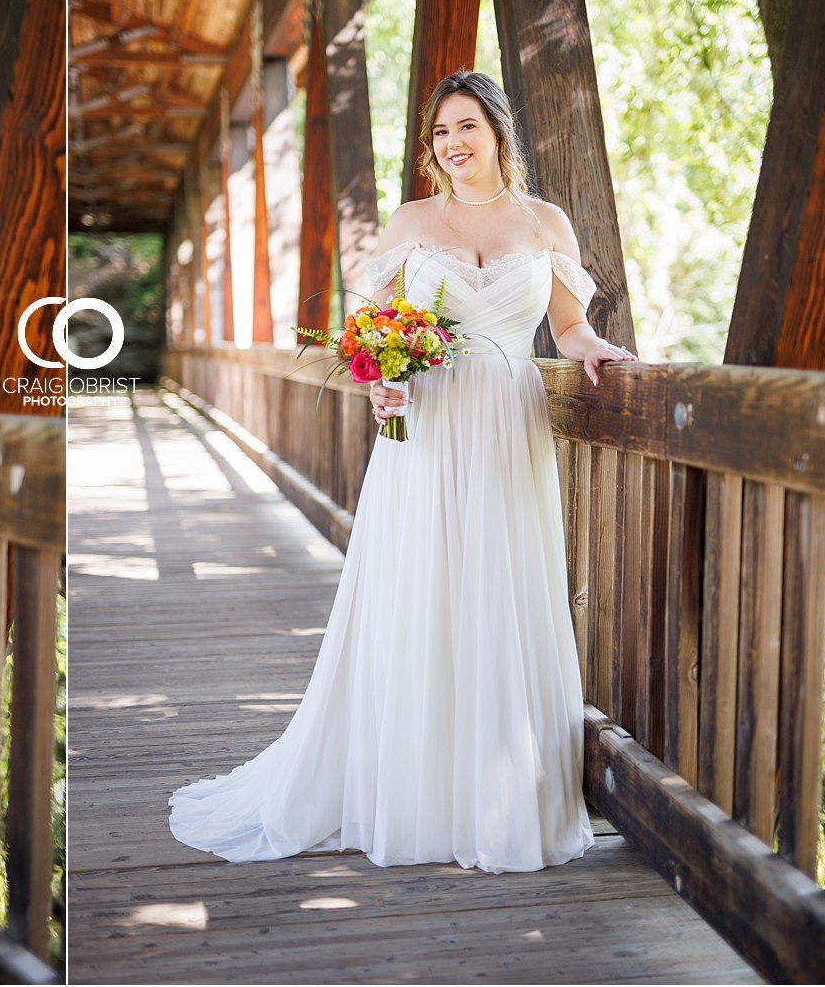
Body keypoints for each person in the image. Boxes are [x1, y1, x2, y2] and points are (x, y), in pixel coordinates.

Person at [168, 70, 636, 873]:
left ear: (497, 132)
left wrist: (599, 349)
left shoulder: (546, 220)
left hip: (507, 418)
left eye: (467, 129)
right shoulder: (415, 219)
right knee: (421, 588)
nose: (453, 146)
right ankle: (413, 788)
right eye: (440, 134)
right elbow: (363, 328)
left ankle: (496, 795)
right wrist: (377, 372)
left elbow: (567, 326)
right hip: (423, 423)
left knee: (499, 587)